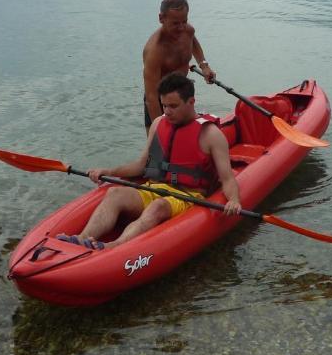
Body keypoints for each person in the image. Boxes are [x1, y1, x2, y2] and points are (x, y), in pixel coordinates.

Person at [59, 73, 241, 250]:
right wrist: (109, 171)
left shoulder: (211, 135)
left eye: (173, 106)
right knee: (115, 193)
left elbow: (227, 179)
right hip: (154, 188)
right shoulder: (158, 124)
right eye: (164, 106)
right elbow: (141, 165)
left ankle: (113, 247)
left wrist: (233, 200)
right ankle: (82, 239)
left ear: (191, 102)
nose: (167, 112)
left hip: (189, 195)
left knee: (158, 206)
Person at [142, 0, 216, 130]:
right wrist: (159, 130)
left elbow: (193, 41)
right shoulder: (154, 51)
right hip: (160, 100)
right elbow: (151, 98)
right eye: (175, 23)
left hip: (183, 93)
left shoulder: (187, 30)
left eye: (184, 21)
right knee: (158, 147)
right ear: (161, 18)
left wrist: (204, 66)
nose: (181, 27)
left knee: (187, 136)